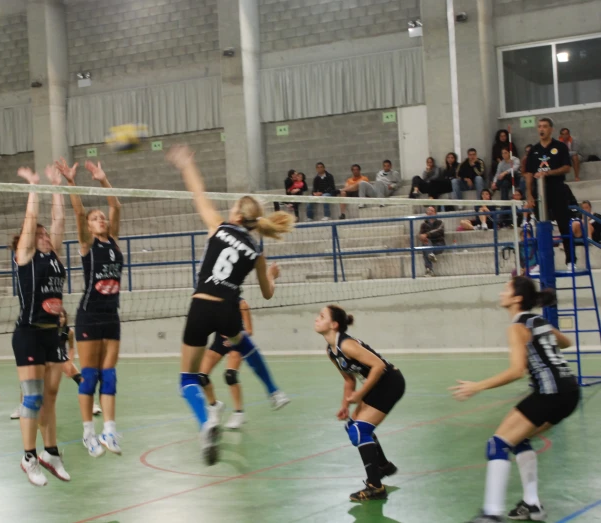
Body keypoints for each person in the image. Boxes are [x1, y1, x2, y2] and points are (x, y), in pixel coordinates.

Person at [166, 144, 294, 465]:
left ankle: (207, 420)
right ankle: (274, 391)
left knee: (187, 379)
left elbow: (199, 195)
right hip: (228, 307)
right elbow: (266, 294)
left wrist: (186, 165)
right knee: (242, 341)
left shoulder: (219, 226)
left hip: (201, 305)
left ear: (236, 214)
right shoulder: (256, 251)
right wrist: (273, 276)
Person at [452, 277, 580, 522]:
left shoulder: (516, 327)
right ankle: (532, 505)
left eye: (506, 290)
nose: (502, 294)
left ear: (517, 298)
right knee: (519, 439)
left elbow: (516, 371)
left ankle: (491, 513)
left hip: (550, 393)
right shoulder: (538, 321)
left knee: (497, 444)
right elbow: (566, 342)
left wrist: (477, 386)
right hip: (570, 392)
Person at [59, 158, 123, 458]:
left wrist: (103, 178)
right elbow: (79, 210)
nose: (101, 219)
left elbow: (117, 207)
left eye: (102, 217)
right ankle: (88, 433)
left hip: (112, 316)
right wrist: (72, 182)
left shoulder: (114, 242)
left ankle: (109, 429)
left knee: (109, 376)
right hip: (89, 316)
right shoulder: (87, 245)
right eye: (96, 218)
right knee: (90, 375)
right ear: (88, 226)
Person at [11, 163, 69, 486]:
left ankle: (51, 452)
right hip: (29, 333)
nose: (45, 234)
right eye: (40, 233)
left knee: (50, 398)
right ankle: (28, 456)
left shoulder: (54, 256)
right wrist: (34, 186)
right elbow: (32, 221)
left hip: (52, 335)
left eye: (46, 233)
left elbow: (58, 220)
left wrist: (57, 186)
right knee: (32, 398)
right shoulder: (25, 258)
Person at [314, 305, 405, 502]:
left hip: (390, 382)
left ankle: (375, 487)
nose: (316, 319)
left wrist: (361, 394)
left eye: (322, 316)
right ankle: (382, 466)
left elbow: (379, 366)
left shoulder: (347, 345)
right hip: (377, 384)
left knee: (359, 430)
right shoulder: (332, 351)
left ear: (334, 324)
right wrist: (345, 404)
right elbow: (349, 380)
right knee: (351, 426)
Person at [199, 297, 290, 430]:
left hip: (236, 342)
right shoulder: (213, 303)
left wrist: (235, 338)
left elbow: (249, 331)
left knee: (230, 376)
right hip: (219, 342)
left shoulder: (242, 304)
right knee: (202, 377)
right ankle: (214, 406)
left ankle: (238, 413)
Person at [10, 308, 102, 420]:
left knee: (80, 379)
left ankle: (91, 405)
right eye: (58, 316)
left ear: (65, 318)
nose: (60, 319)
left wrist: (69, 362)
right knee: (29, 382)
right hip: (46, 358)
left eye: (62, 316)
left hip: (62, 358)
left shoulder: (68, 332)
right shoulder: (46, 330)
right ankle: (22, 407)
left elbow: (72, 348)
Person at [524, 117, 575, 270]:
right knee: (541, 227)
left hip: (557, 189)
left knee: (564, 225)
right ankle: (542, 262)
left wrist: (547, 173)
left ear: (551, 129)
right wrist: (529, 194)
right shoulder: (533, 150)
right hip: (539, 193)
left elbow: (567, 167)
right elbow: (528, 174)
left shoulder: (560, 147)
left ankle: (571, 261)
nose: (542, 129)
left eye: (545, 126)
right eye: (539, 126)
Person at [419, 206, 445, 277]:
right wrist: (423, 237)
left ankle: (429, 269)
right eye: (428, 211)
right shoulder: (423, 225)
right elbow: (421, 235)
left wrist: (427, 235)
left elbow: (438, 231)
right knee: (425, 245)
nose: (430, 212)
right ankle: (429, 267)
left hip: (439, 244)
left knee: (426, 249)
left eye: (432, 211)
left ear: (435, 213)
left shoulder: (440, 222)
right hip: (429, 244)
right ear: (426, 213)